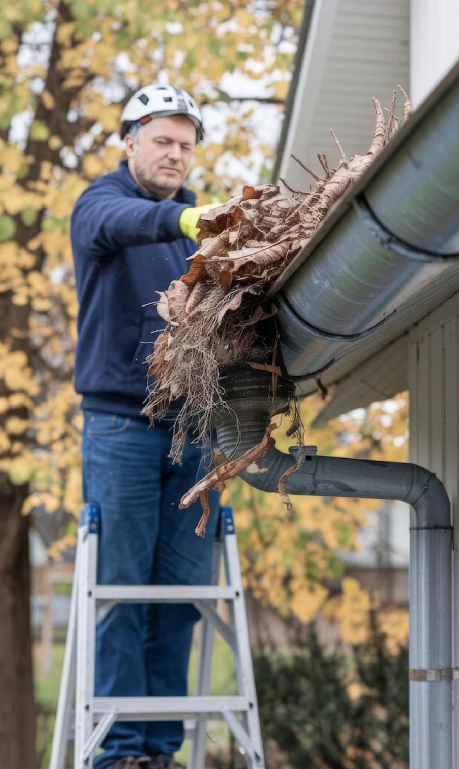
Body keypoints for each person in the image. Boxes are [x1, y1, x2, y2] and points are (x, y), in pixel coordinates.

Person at [71, 84, 220, 769]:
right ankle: (119, 753)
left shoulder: (195, 228)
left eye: (186, 145)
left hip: (193, 434)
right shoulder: (100, 206)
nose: (176, 154)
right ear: (128, 140)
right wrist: (189, 225)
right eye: (162, 140)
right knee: (120, 595)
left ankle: (160, 751)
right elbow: (121, 223)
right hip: (120, 429)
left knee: (182, 598)